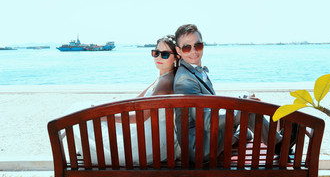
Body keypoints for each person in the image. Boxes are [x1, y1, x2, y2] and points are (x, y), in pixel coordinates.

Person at [173, 24, 286, 163]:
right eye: (186, 47)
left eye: (198, 45)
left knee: (244, 101)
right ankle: (279, 145)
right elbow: (207, 122)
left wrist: (241, 103)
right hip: (200, 149)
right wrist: (242, 107)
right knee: (247, 108)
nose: (193, 51)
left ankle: (263, 138)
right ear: (178, 51)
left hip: (204, 139)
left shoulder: (192, 71)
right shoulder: (185, 80)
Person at [72, 35, 181, 165]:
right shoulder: (163, 77)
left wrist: (105, 116)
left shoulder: (164, 83)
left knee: (81, 115)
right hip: (151, 135)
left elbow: (140, 117)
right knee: (84, 109)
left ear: (176, 57)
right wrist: (106, 107)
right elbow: (135, 100)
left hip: (148, 143)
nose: (158, 57)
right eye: (156, 53)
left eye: (165, 54)